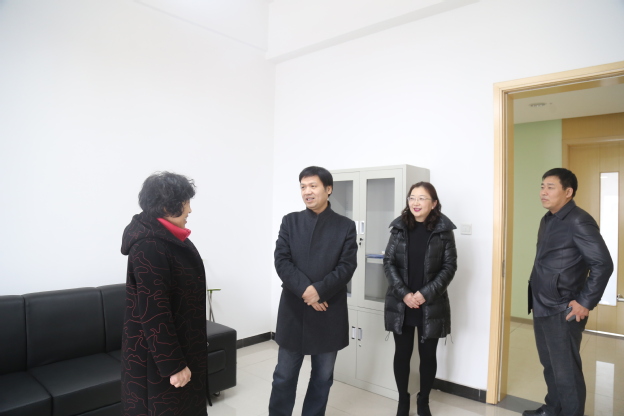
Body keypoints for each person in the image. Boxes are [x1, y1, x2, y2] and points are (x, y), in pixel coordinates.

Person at [269, 166, 358, 416]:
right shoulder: (290, 221)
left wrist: (319, 291)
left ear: (328, 189)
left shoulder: (345, 226)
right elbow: (282, 261)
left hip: (328, 311)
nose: (307, 192)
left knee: (322, 378)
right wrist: (307, 292)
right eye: (303, 187)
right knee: (284, 376)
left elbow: (347, 266)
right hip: (294, 310)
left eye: (313, 186)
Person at [523, 168, 613, 416]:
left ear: (568, 192)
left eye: (550, 187)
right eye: (542, 186)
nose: (543, 192)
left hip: (563, 308)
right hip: (542, 304)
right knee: (550, 366)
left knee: (567, 373)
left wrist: (585, 302)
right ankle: (553, 409)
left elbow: (603, 264)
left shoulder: (578, 221)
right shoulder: (548, 219)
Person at [120, 172, 208, 416]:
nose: (190, 209)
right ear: (169, 206)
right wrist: (173, 364)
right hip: (158, 362)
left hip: (181, 346)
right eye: (186, 202)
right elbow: (154, 311)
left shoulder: (170, 238)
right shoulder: (149, 246)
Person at [383, 182, 457, 416]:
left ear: (433, 203)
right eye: (412, 198)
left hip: (430, 304)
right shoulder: (399, 228)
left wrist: (424, 294)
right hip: (402, 304)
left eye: (422, 198)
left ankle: (423, 400)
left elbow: (449, 267)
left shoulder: (443, 231)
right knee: (402, 354)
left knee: (428, 357)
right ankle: (402, 400)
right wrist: (404, 294)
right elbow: (388, 263)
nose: (415, 203)